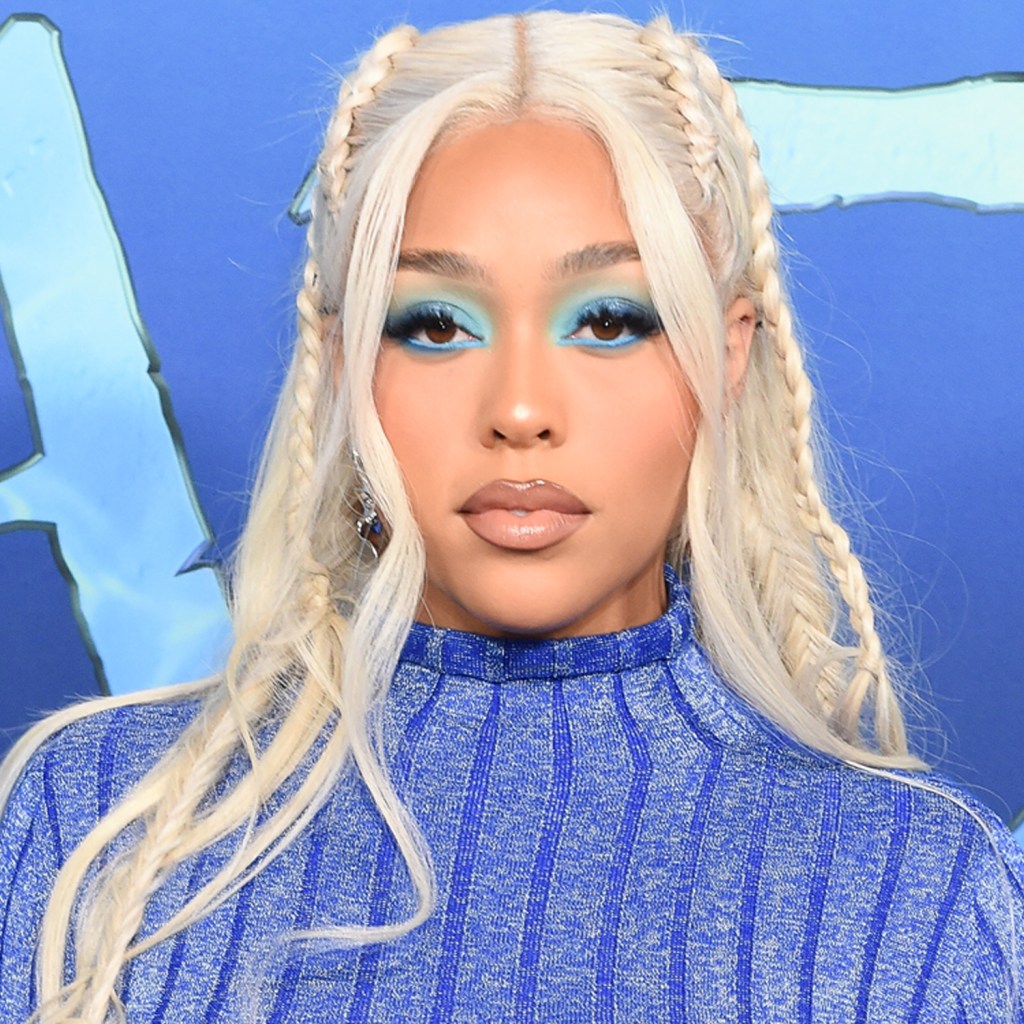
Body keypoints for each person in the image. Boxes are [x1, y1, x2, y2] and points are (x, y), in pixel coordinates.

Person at [1, 10, 1021, 1023]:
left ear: (727, 356)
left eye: (608, 320)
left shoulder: (914, 887)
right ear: (344, 364)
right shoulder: (93, 821)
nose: (521, 410)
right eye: (437, 324)